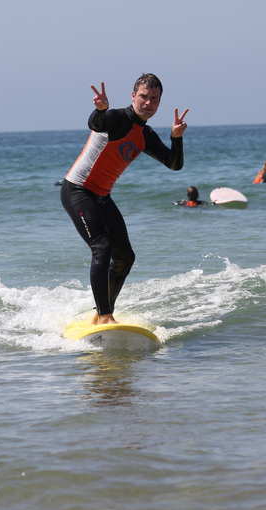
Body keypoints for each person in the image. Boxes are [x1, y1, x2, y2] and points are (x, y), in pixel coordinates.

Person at [61, 74, 188, 325]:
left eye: (154, 98)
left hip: (102, 196)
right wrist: (100, 110)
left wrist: (176, 137)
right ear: (133, 96)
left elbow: (174, 164)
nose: (148, 102)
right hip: (79, 189)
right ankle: (105, 315)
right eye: (143, 96)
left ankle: (102, 313)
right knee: (102, 247)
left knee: (125, 256)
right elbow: (96, 124)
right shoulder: (116, 118)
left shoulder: (146, 135)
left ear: (159, 102)